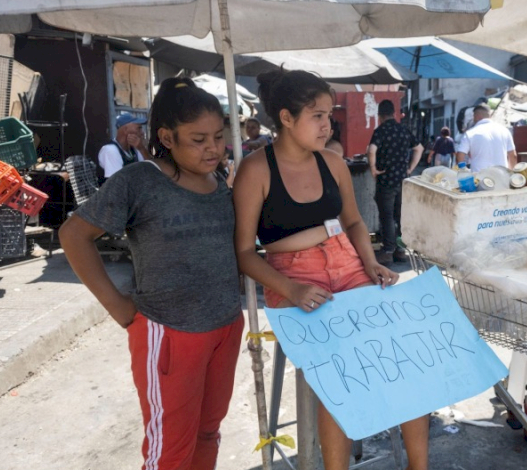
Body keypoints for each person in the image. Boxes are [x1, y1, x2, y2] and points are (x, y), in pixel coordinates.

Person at [232, 70, 429, 470]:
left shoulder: (333, 163)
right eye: (317, 116)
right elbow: (244, 253)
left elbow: (354, 223)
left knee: (408, 355)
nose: (328, 125)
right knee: (336, 375)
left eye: (329, 115)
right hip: (292, 277)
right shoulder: (256, 170)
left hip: (348, 262)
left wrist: (371, 263)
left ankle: (419, 466)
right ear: (286, 118)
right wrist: (291, 289)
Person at [59, 77, 244, 470]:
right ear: (167, 136)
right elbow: (74, 234)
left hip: (226, 326)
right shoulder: (140, 181)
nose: (213, 147)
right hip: (169, 332)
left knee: (207, 434)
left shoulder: (221, 180)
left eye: (217, 136)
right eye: (198, 139)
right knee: (169, 453)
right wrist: (119, 308)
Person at [367, 99, 423, 265]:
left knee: (387, 217)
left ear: (380, 115)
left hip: (386, 181)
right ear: (393, 113)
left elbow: (371, 150)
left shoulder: (380, 131)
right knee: (400, 217)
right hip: (402, 180)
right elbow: (419, 148)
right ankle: (400, 250)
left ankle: (387, 251)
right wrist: (410, 168)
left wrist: (373, 169)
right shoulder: (403, 130)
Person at [456, 104, 517, 171]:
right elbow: (513, 156)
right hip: (501, 176)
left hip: (479, 177)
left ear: (477, 116)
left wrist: (463, 172)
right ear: (489, 116)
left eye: (473, 116)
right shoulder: (505, 131)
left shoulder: (470, 133)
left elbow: (460, 156)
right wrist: (510, 173)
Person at [98, 111, 149, 180]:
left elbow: (151, 168)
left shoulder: (134, 148)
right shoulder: (110, 150)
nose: (142, 132)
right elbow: (118, 184)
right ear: (125, 130)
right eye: (139, 128)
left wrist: (142, 148)